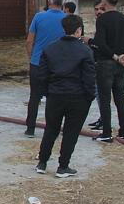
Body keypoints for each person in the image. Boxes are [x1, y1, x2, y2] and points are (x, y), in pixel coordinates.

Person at [34, 14, 96, 178]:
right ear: (79, 31)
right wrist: (90, 96)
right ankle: (63, 166)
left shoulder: (50, 49)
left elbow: (42, 75)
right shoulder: (85, 51)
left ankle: (42, 162)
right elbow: (89, 78)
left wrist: (48, 92)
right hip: (78, 97)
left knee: (51, 129)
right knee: (71, 132)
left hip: (55, 95)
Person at [92, 0, 124, 142]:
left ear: (104, 2)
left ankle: (106, 133)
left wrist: (115, 57)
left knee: (105, 100)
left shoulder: (102, 20)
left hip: (106, 64)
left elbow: (100, 43)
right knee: (120, 98)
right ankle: (123, 132)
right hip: (121, 66)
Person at [24, 0, 67, 137]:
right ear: (63, 3)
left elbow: (30, 41)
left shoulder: (39, 17)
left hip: (38, 63)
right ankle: (53, 127)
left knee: (34, 97)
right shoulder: (67, 19)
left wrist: (31, 57)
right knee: (55, 98)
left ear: (49, 1)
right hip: (58, 65)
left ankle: (30, 128)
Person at [84, 0, 106, 130]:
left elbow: (101, 45)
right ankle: (102, 118)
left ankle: (104, 121)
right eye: (96, 9)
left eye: (101, 9)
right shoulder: (100, 24)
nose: (98, 12)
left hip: (104, 64)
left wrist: (89, 41)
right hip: (98, 63)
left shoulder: (106, 24)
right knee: (99, 93)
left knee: (101, 93)